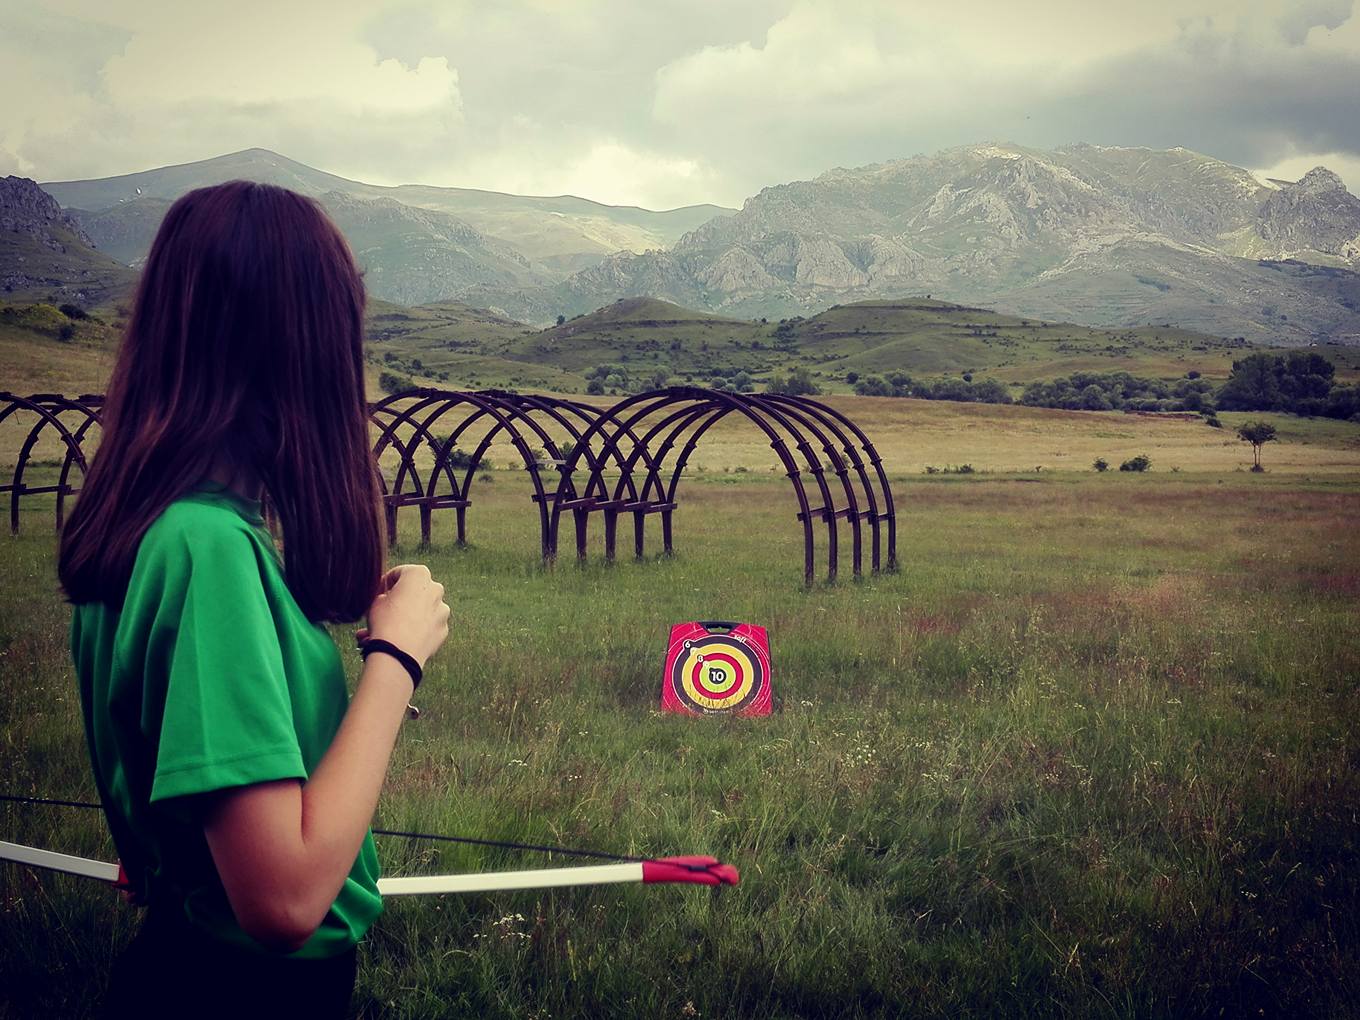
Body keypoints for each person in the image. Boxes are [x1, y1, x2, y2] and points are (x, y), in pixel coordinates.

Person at [56, 180, 450, 1017]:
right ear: (303, 352)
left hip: (179, 962)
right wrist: (397, 659)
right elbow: (284, 901)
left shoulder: (149, 530)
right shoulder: (209, 553)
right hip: (248, 992)